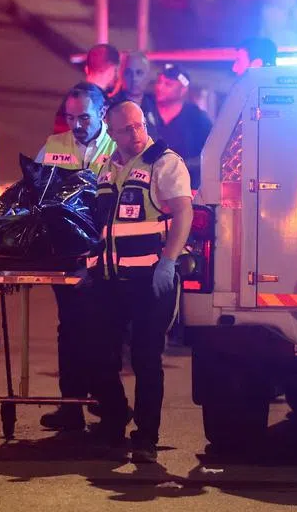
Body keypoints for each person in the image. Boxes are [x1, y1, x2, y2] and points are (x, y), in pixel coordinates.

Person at [85, 101, 193, 464]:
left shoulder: (164, 162)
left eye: (139, 125)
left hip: (150, 280)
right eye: (127, 129)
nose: (136, 133)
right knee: (100, 354)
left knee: (146, 359)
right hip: (109, 278)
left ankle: (146, 437)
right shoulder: (106, 167)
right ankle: (114, 419)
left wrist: (169, 261)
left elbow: (183, 212)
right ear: (112, 133)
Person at [34, 83, 116, 432]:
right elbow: (35, 191)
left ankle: (108, 405)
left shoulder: (118, 147)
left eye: (84, 117)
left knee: (104, 330)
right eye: (70, 118)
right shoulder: (54, 146)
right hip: (67, 254)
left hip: (107, 254)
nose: (77, 125)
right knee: (69, 328)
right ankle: (71, 405)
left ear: (102, 113)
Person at [151, 63, 212, 191]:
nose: (160, 87)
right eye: (159, 82)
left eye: (168, 84)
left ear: (183, 89)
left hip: (185, 188)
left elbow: (211, 155)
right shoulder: (146, 111)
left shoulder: (198, 119)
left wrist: (180, 164)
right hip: (150, 186)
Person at [111, 51, 158, 126]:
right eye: (128, 72)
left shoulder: (156, 106)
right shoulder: (111, 107)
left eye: (139, 73)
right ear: (121, 75)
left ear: (148, 76)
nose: (134, 78)